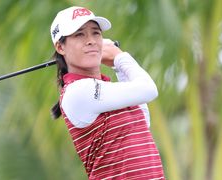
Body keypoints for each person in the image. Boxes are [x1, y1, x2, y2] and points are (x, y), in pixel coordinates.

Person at [50, 6, 165, 179]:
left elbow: (142, 122)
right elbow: (149, 89)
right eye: (79, 34)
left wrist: (115, 66)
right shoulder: (77, 91)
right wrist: (119, 56)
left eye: (96, 33)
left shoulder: (106, 90)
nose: (91, 41)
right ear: (60, 47)